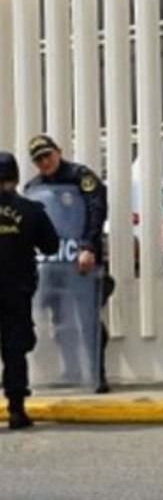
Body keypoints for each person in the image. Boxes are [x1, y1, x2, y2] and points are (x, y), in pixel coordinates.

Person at [23, 135, 111, 394]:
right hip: (52, 264)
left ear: (59, 152)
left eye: (47, 155)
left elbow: (96, 210)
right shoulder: (34, 187)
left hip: (82, 259)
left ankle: (96, 374)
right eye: (38, 159)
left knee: (89, 319)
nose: (44, 161)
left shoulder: (80, 177)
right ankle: (71, 370)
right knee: (59, 321)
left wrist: (89, 246)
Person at [0, 151, 60, 429]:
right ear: (16, 176)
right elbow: (51, 246)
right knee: (15, 349)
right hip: (16, 289)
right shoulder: (31, 210)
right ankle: (16, 410)